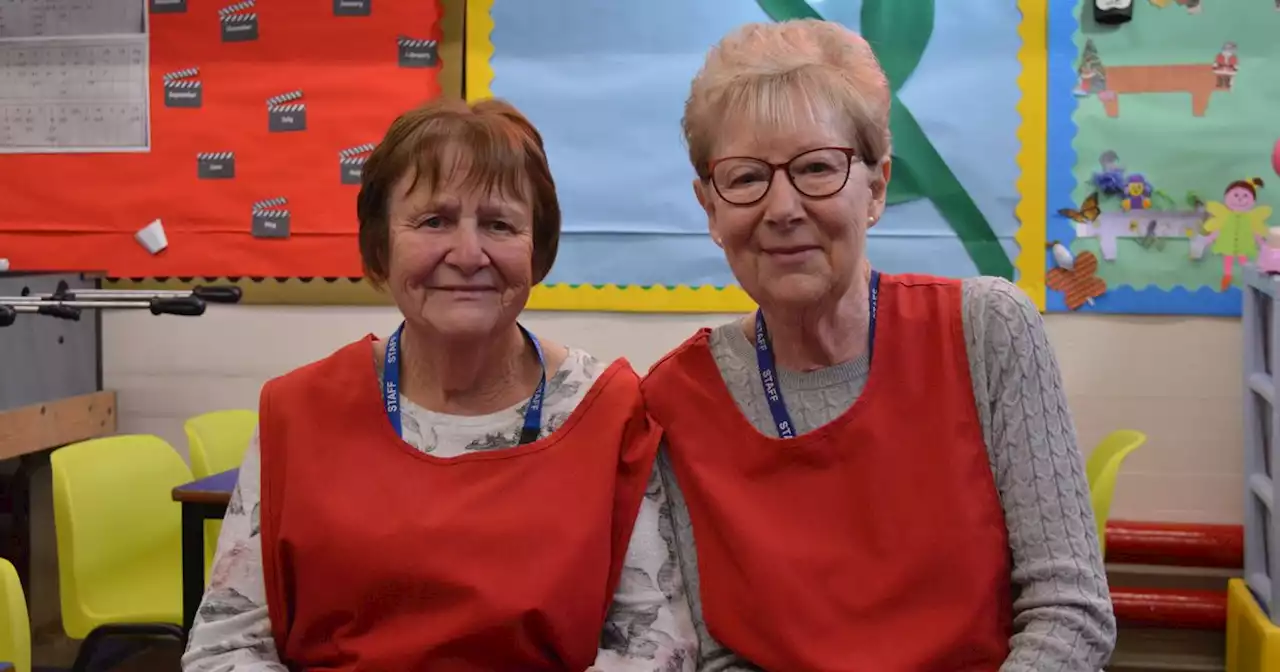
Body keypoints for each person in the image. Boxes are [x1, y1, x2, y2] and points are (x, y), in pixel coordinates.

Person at [641, 20, 1116, 672]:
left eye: (816, 168)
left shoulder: (986, 331)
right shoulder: (677, 398)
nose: (782, 208)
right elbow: (722, 653)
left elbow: (1069, 610)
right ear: (710, 209)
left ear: (877, 188)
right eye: (747, 177)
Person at [182, 98, 697, 671]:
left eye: (499, 224)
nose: (469, 253)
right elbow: (226, 645)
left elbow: (655, 644)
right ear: (381, 244)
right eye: (434, 221)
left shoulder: (609, 410)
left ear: (538, 247)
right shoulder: (298, 412)